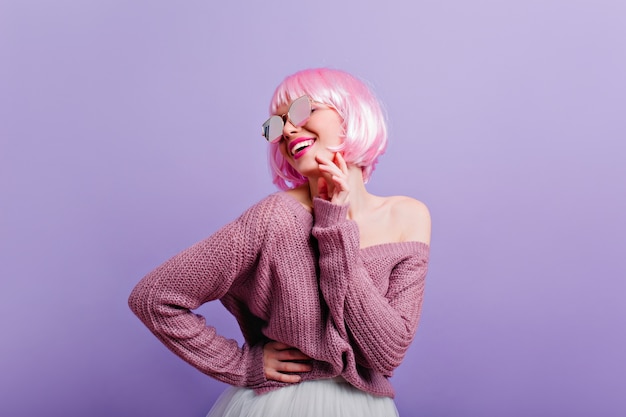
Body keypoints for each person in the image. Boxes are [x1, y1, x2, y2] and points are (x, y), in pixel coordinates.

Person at [128, 68, 431, 417]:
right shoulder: (273, 217)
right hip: (280, 405)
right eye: (276, 124)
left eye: (303, 110)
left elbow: (385, 354)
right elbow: (154, 297)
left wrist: (334, 227)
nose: (287, 130)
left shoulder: (408, 217)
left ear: (348, 114)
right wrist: (241, 364)